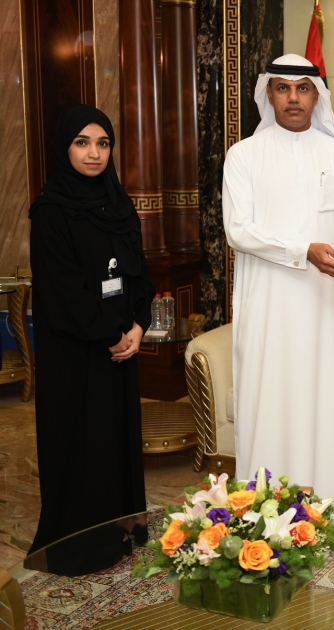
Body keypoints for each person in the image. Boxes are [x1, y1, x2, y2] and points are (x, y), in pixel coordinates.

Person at [222, 54, 334, 498]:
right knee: (268, 401)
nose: (293, 97)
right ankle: (259, 514)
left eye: (303, 88)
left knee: (321, 402)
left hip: (323, 304)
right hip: (268, 305)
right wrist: (302, 251)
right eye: (283, 88)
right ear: (268, 94)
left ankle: (323, 513)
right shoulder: (244, 155)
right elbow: (238, 231)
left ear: (316, 96)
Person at [28, 104, 154, 575]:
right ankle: (80, 545)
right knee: (81, 444)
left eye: (103, 143)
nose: (94, 153)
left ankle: (121, 528)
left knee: (116, 441)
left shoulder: (119, 206)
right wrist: (113, 334)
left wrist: (137, 327)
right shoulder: (50, 213)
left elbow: (140, 275)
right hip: (75, 355)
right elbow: (64, 290)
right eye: (82, 143)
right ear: (65, 148)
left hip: (120, 348)